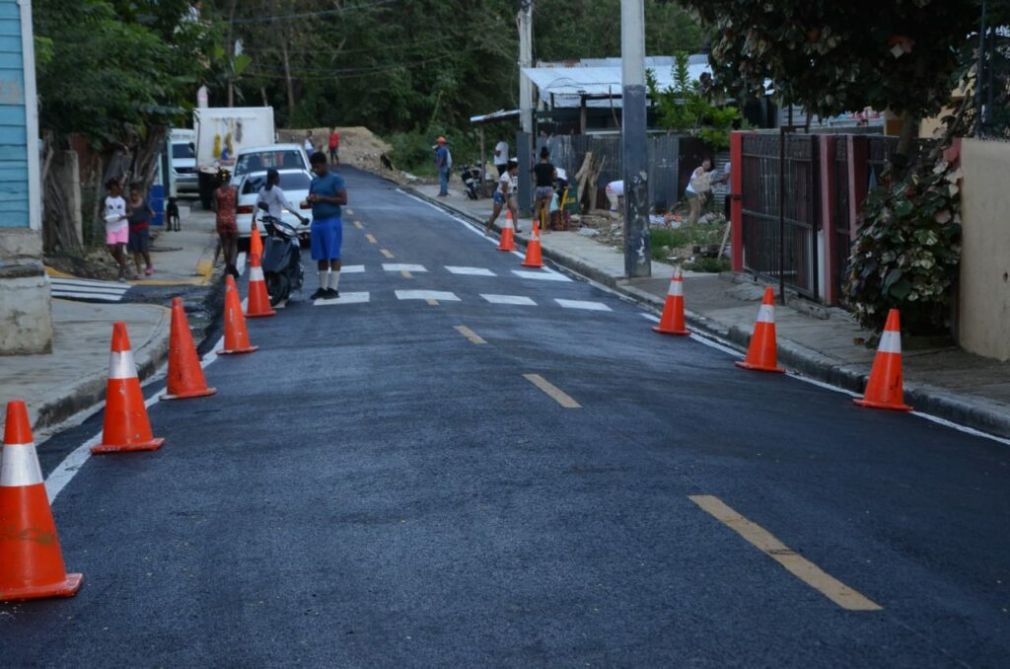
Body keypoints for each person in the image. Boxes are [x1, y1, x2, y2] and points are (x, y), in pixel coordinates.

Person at [306, 152, 347, 300]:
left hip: (331, 220)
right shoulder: (314, 181)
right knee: (320, 255)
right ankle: (323, 287)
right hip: (317, 221)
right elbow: (311, 196)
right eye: (313, 167)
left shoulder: (335, 179)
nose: (315, 170)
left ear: (324, 164)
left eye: (317, 166)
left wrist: (323, 198)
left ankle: (333, 288)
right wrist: (310, 199)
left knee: (333, 254)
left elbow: (343, 200)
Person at [213, 168, 240, 278]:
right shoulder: (234, 191)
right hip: (231, 218)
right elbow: (236, 205)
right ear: (229, 179)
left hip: (221, 219)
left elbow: (215, 208)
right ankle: (232, 264)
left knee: (225, 244)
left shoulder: (216, 192)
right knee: (234, 244)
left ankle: (228, 266)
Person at [102, 179, 130, 281]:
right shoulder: (106, 199)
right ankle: (124, 264)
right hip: (110, 226)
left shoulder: (124, 199)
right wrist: (103, 218)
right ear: (113, 187)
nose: (120, 188)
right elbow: (101, 212)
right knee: (112, 249)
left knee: (119, 248)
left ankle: (121, 274)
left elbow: (130, 212)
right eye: (118, 186)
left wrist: (123, 217)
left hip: (122, 226)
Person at [126, 183, 155, 276]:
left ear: (139, 194)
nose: (134, 197)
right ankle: (138, 269)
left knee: (143, 249)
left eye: (136, 195)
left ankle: (149, 265)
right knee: (135, 250)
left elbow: (151, 212)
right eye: (132, 195)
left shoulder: (143, 202)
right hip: (132, 228)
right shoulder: (128, 204)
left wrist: (151, 214)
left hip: (142, 228)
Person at [486, 158, 520, 235]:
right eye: (517, 169)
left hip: (509, 194)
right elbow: (504, 190)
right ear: (513, 169)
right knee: (496, 214)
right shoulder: (505, 177)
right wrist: (507, 202)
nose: (518, 171)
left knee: (514, 209)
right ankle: (488, 228)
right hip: (500, 194)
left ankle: (516, 228)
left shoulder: (513, 176)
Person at [531, 146, 556, 233]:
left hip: (539, 188)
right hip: (548, 188)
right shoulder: (551, 166)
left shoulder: (536, 166)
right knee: (547, 208)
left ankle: (535, 228)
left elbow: (534, 178)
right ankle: (546, 229)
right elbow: (554, 176)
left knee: (537, 208)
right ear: (547, 156)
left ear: (540, 156)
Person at [685, 158, 714, 226]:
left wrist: (702, 194)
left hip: (694, 191)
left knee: (698, 210)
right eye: (706, 163)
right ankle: (690, 227)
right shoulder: (700, 169)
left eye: (708, 164)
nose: (707, 165)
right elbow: (693, 181)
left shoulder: (703, 171)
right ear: (703, 163)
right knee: (694, 210)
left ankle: (694, 226)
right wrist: (699, 194)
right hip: (691, 191)